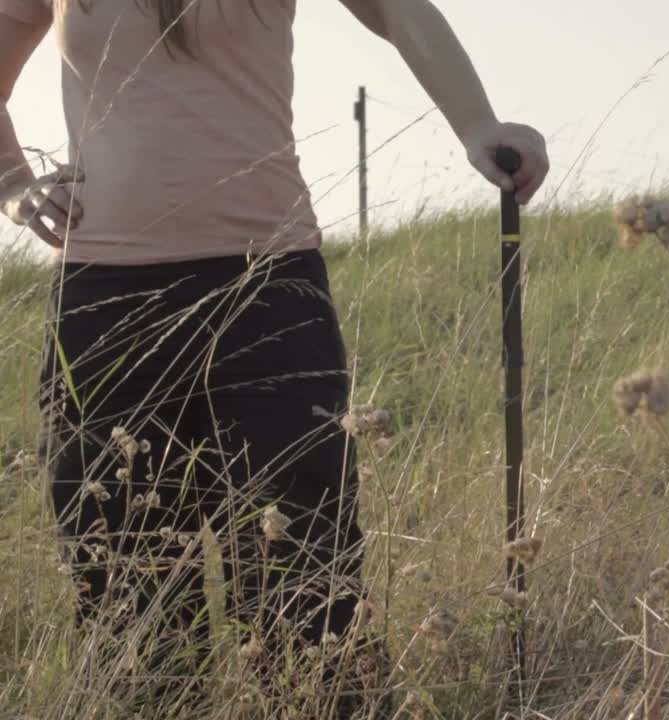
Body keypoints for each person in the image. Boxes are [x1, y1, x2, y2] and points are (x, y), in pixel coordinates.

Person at [0, 0, 548, 716]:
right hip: (106, 301)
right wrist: (13, 185)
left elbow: (395, 9)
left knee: (303, 575)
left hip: (269, 288)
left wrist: (478, 125)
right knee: (126, 588)